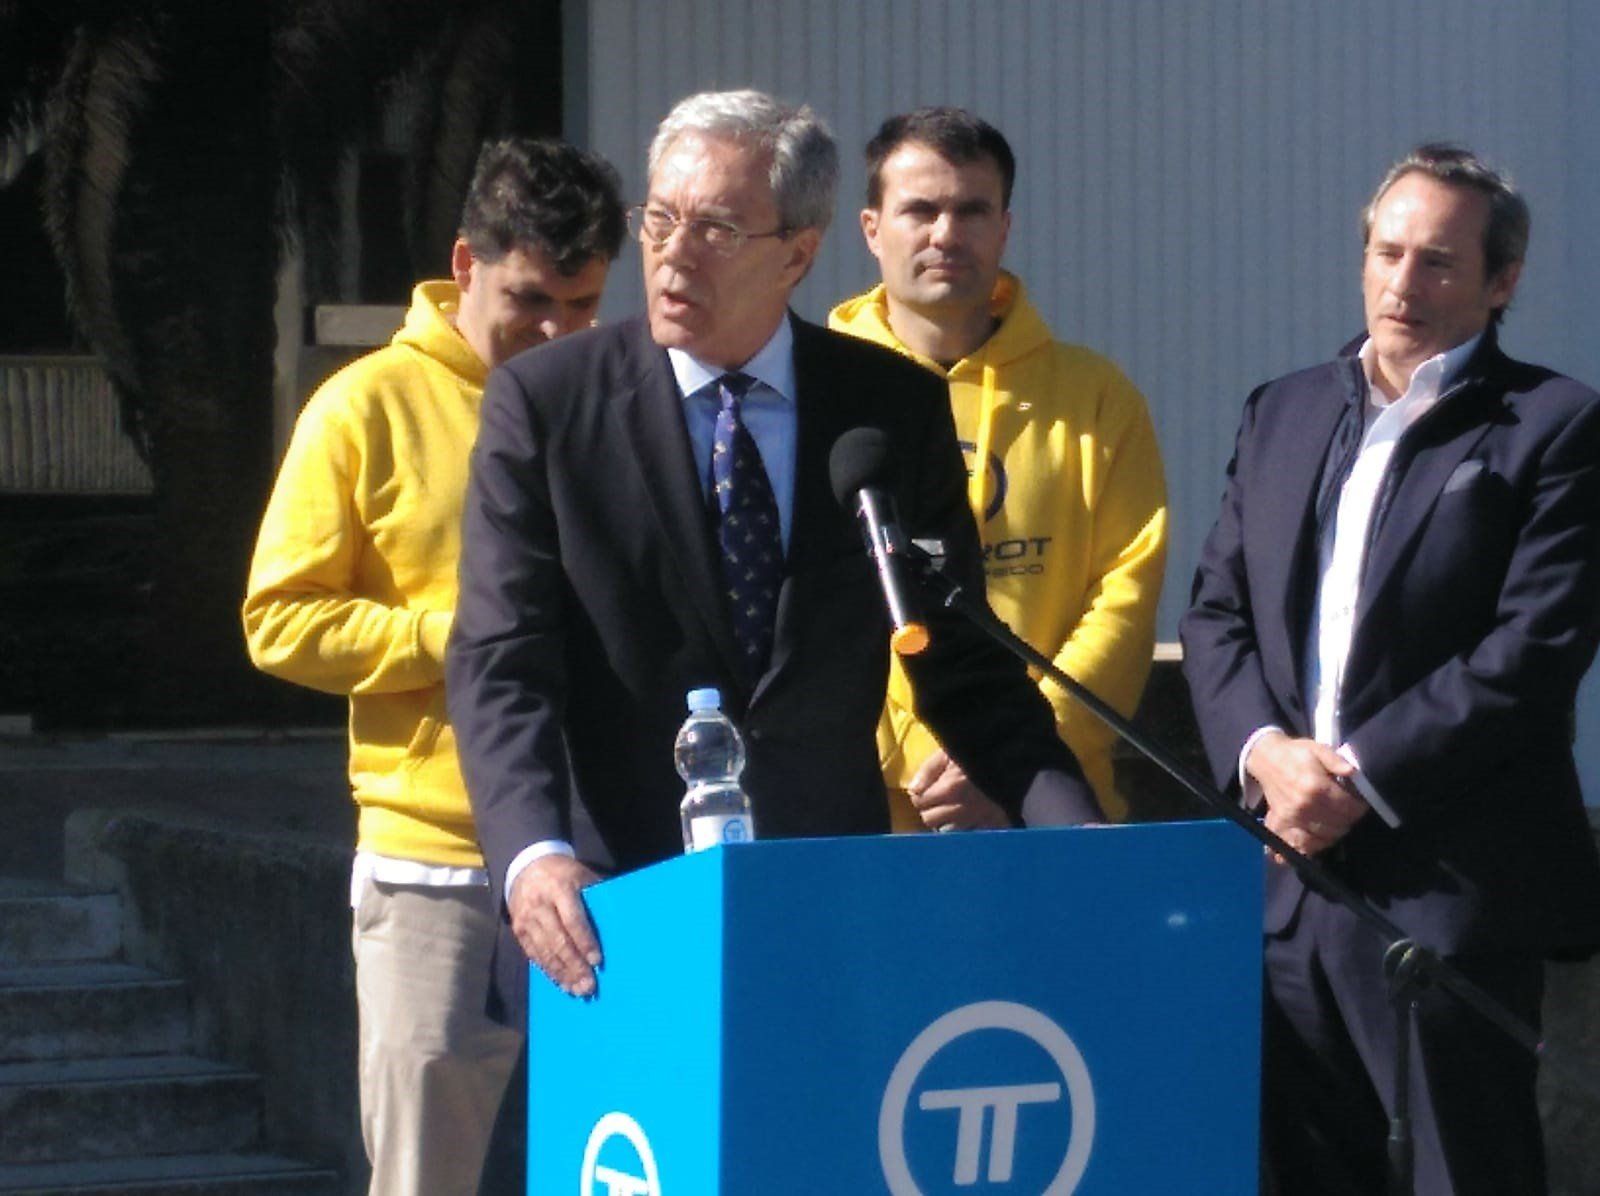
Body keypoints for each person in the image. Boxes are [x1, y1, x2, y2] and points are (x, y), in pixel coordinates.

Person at [445, 89, 1101, 1024]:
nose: (673, 252)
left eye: (714, 227)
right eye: (661, 218)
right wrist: (530, 851)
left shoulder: (887, 411)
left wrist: (1075, 838)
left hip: (820, 915)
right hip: (610, 916)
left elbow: (960, 661)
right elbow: (501, 659)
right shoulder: (546, 406)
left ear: (798, 250)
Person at [1180, 143, 1600, 1194]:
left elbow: (1529, 653)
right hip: (1282, 885)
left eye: (1439, 263)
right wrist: (1266, 756)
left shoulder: (1553, 427)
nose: (1401, 284)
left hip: (1445, 898)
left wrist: (1354, 778)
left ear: (1500, 283)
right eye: (1386, 252)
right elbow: (1217, 611)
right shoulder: (1280, 411)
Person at [241, 137, 625, 1196]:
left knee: (644, 1157)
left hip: (613, 850)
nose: (557, 330)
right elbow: (278, 620)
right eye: (530, 299)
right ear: (466, 265)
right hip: (438, 867)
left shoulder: (617, 395)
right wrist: (463, 637)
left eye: (584, 303)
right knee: (425, 1179)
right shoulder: (362, 407)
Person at [830, 107, 1167, 827]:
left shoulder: (1096, 398)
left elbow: (1124, 601)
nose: (945, 233)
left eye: (971, 210)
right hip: (862, 821)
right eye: (919, 209)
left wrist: (1012, 757)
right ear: (870, 228)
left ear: (1005, 227)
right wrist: (928, 756)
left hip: (1048, 813)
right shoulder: (815, 391)